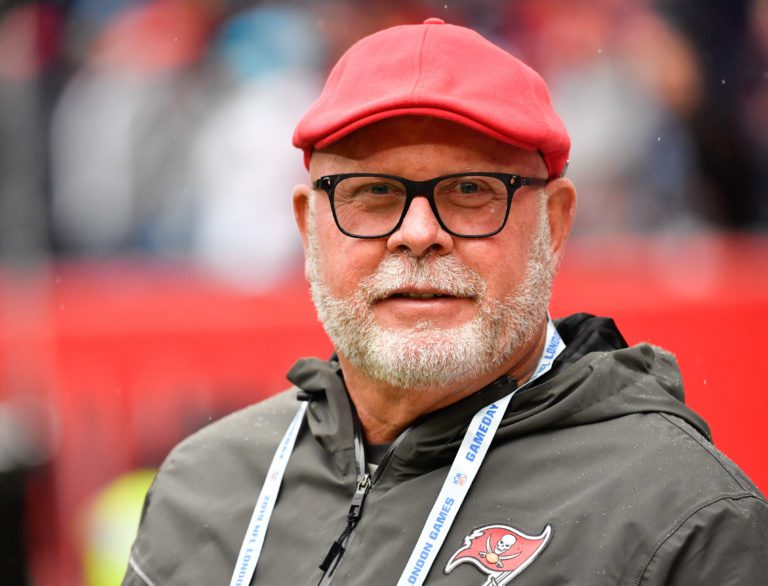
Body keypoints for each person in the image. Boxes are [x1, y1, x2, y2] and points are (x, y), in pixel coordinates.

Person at [122, 19, 768, 586]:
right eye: (373, 192)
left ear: (554, 224)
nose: (418, 233)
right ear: (309, 228)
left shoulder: (681, 518)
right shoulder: (200, 487)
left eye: (470, 190)